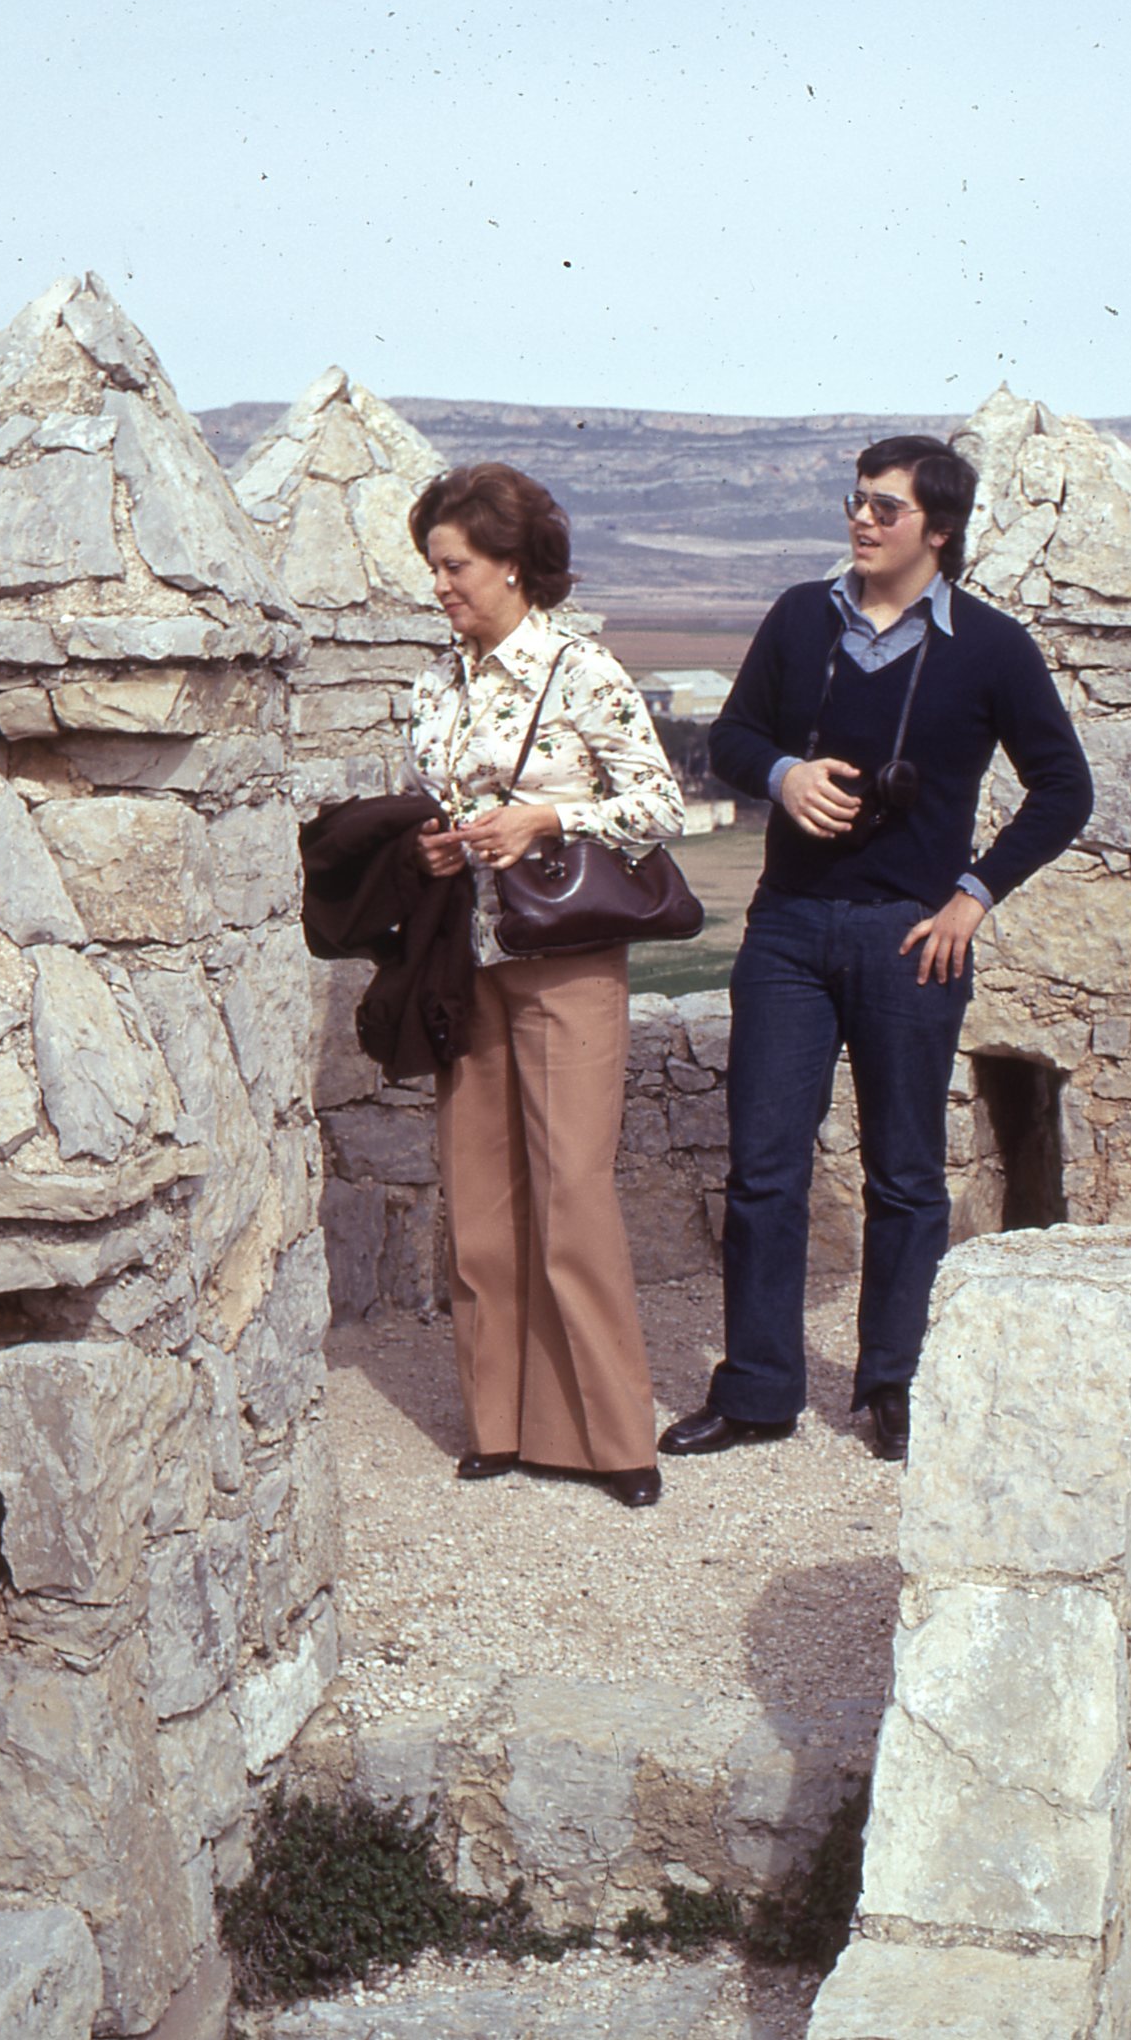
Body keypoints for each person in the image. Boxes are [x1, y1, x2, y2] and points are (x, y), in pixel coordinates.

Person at [669, 435, 1094, 1464]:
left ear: (938, 530)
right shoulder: (799, 617)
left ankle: (893, 1385)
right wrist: (784, 776)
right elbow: (730, 739)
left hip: (912, 938)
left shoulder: (991, 646)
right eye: (855, 501)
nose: (861, 520)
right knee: (764, 1168)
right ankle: (757, 1390)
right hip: (787, 925)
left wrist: (973, 897)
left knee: (905, 1172)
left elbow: (1064, 789)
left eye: (885, 508)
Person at [406, 462, 686, 1508]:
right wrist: (436, 844)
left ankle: (614, 1439)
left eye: (455, 566)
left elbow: (659, 805)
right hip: (465, 962)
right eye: (433, 567)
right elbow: (430, 802)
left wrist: (547, 819)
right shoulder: (433, 686)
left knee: (572, 1193)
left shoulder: (584, 672)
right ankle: (499, 1424)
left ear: (513, 565)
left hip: (566, 963)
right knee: (478, 1200)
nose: (440, 585)